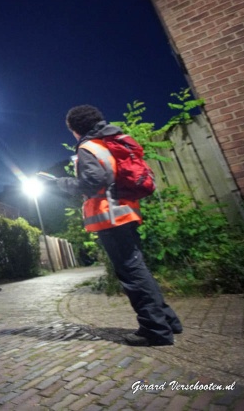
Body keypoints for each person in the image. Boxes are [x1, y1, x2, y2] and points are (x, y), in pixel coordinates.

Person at [54, 105, 182, 347]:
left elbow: (93, 182)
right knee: (138, 269)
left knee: (132, 274)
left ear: (75, 129)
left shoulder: (87, 147)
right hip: (126, 213)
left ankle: (155, 329)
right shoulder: (107, 141)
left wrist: (63, 183)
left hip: (110, 217)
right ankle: (168, 320)